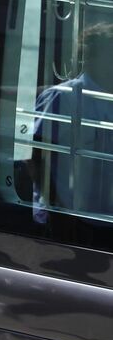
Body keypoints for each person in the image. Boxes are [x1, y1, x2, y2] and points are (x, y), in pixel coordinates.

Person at [32, 22, 113, 221]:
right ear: (90, 59)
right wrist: (57, 211)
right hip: (65, 217)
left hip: (104, 219)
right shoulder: (63, 97)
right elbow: (37, 157)